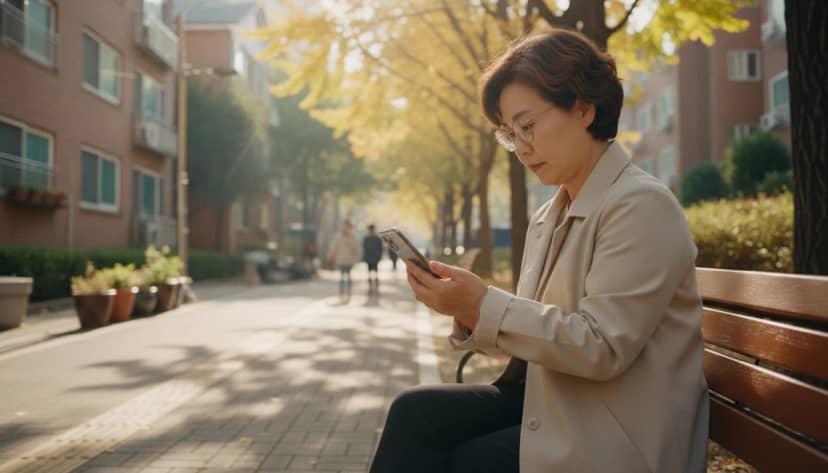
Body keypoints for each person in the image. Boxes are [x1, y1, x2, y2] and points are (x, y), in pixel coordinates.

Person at [369, 29, 708, 473]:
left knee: (472, 461)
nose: (521, 147)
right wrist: (469, 308)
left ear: (584, 108)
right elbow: (541, 335)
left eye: (528, 125)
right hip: (557, 399)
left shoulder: (640, 205)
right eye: (510, 134)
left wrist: (486, 304)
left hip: (619, 428)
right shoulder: (550, 214)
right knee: (415, 413)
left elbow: (602, 346)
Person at [326, 221, 360, 302]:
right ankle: (341, 294)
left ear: (350, 228)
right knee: (341, 278)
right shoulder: (338, 236)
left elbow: (356, 249)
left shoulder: (353, 237)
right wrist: (330, 255)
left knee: (348, 278)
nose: (346, 228)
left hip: (349, 260)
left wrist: (355, 259)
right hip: (340, 260)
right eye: (345, 226)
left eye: (348, 227)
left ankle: (348, 294)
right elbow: (334, 247)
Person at [363, 224, 383, 294]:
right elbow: (364, 249)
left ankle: (376, 288)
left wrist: (379, 257)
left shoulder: (377, 239)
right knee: (369, 275)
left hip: (375, 259)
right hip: (369, 259)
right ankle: (370, 288)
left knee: (376, 274)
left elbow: (380, 249)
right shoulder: (366, 239)